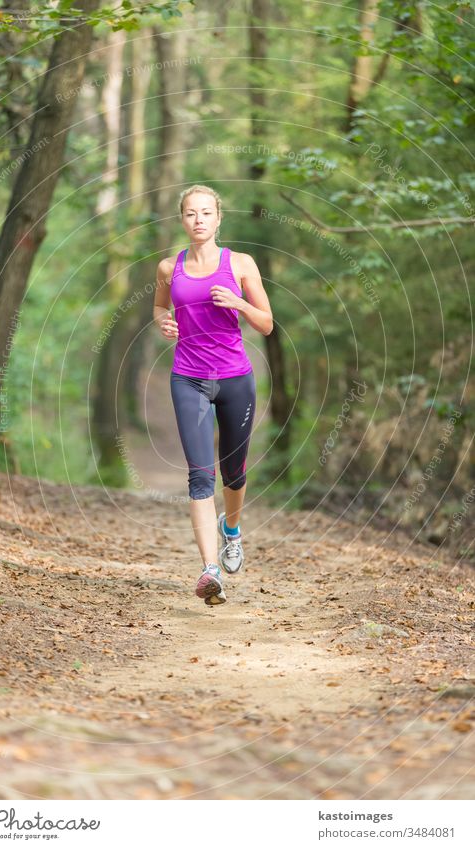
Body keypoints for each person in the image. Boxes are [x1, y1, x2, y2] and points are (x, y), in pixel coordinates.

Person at [153, 184, 273, 606]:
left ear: (219, 218)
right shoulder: (170, 266)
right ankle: (209, 569)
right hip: (188, 378)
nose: (199, 220)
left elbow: (267, 324)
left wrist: (238, 303)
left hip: (235, 379)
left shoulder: (239, 263)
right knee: (201, 474)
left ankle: (232, 530)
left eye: (206, 212)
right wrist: (164, 322)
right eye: (190, 213)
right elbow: (159, 308)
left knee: (233, 472)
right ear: (182, 219)